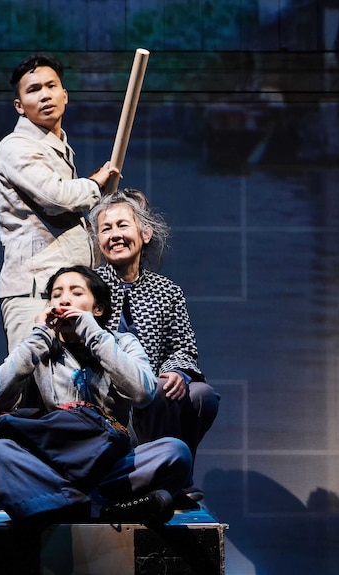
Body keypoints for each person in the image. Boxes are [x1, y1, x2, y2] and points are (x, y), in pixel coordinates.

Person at [0, 265, 192, 526]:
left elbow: (143, 392)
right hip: (52, 465)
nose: (64, 300)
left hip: (111, 465)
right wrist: (38, 339)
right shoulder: (38, 346)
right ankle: (104, 508)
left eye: (76, 293)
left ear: (97, 308)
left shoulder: (122, 342)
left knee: (175, 452)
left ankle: (61, 506)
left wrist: (93, 334)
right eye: (56, 295)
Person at [89, 188, 221, 505]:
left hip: (158, 392)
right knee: (151, 390)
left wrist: (176, 372)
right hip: (106, 392)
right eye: (106, 229)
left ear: (145, 233)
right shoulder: (89, 285)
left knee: (202, 396)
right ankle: (165, 480)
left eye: (123, 225)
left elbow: (183, 347)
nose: (114, 235)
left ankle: (172, 478)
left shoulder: (167, 290)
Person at [0, 53, 120, 352]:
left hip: (69, 289)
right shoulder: (17, 146)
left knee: (73, 392)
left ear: (65, 94)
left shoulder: (60, 147)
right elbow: (55, 198)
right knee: (35, 386)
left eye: (51, 86)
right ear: (19, 106)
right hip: (34, 291)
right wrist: (94, 184)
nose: (45, 95)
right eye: (34, 90)